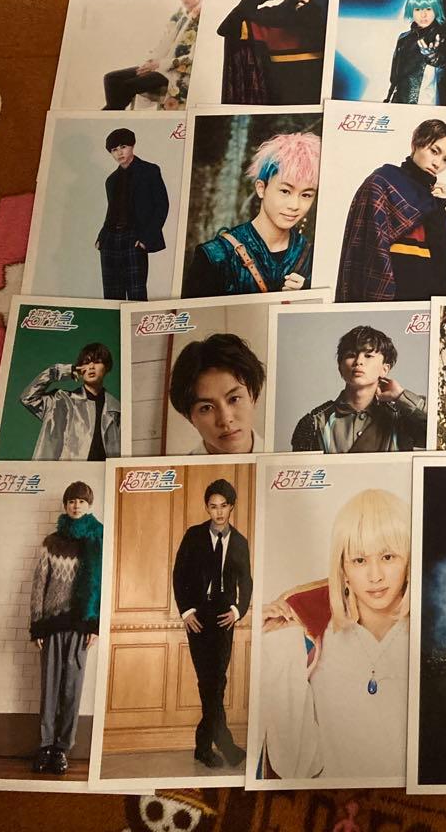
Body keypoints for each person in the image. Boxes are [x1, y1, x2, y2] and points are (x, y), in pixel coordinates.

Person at [259, 488, 411, 780]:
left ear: (410, 560)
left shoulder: (437, 631)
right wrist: (273, 647)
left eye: (388, 556)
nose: (375, 576)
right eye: (359, 560)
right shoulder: (310, 632)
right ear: (342, 567)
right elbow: (292, 763)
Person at [173, 478, 253, 769]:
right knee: (209, 682)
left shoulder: (240, 542)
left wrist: (237, 610)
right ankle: (222, 745)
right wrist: (186, 612)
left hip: (223, 618)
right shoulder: (194, 536)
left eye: (223, 506)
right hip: (198, 617)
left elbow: (246, 581)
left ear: (232, 507)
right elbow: (179, 574)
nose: (218, 512)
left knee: (216, 682)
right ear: (207, 508)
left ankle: (204, 746)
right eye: (213, 506)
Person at [335, 118, 446, 301]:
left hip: (426, 302)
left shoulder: (432, 200)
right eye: (434, 151)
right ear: (416, 143)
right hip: (390, 299)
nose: (437, 164)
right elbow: (369, 252)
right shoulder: (382, 183)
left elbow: (445, 264)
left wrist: (438, 210)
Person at [183, 131, 320, 297]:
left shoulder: (313, 257)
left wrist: (307, 293)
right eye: (285, 191)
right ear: (261, 188)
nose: (294, 205)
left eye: (306, 195)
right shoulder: (216, 256)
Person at [29, 481, 102, 777]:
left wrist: (94, 625)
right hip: (52, 626)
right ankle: (45, 746)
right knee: (49, 688)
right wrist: (37, 626)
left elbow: (101, 585)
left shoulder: (97, 540)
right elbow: (39, 584)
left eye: (81, 501)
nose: (76, 505)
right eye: (71, 501)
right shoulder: (52, 542)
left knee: (73, 688)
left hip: (81, 627)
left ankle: (62, 748)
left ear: (89, 505)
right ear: (65, 505)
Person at [217, 0, 329, 104]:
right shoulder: (276, 15)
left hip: (322, 101)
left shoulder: (332, 5)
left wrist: (317, 19)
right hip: (280, 103)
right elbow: (226, 29)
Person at [291, 325, 427, 452]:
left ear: (385, 369)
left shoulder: (401, 418)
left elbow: (438, 435)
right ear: (340, 367)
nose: (358, 362)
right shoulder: (314, 423)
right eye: (351, 355)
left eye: (368, 356)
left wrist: (401, 396)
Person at [102, 0, 203, 110]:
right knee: (111, 79)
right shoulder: (182, 17)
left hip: (177, 73)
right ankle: (111, 114)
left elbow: (193, 57)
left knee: (127, 86)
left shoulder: (203, 19)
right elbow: (163, 45)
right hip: (160, 66)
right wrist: (149, 63)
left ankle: (109, 114)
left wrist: (159, 64)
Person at [95, 128, 170, 301]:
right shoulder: (111, 180)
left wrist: (145, 238)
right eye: (114, 150)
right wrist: (102, 237)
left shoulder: (150, 171)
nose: (119, 153)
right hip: (110, 240)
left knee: (137, 295)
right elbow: (112, 211)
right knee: (112, 297)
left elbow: (162, 206)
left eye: (123, 147)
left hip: (134, 238)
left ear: (132, 146)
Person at [168, 332, 265, 455]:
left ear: (254, 396)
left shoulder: (281, 453)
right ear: (190, 418)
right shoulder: (181, 467)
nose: (225, 419)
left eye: (234, 399)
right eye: (206, 408)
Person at [20, 343, 120, 461]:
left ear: (107, 367)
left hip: (105, 470)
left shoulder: (116, 409)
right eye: (86, 362)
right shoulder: (61, 401)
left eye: (97, 362)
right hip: (65, 470)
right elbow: (28, 397)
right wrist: (60, 371)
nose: (91, 366)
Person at [385, 0, 446, 105]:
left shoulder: (443, 36)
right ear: (411, 10)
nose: (423, 15)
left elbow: (444, 63)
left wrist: (433, 57)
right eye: (418, 9)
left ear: (437, 10)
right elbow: (395, 78)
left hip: (428, 103)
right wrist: (389, 99)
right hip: (399, 102)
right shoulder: (403, 38)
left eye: (428, 9)